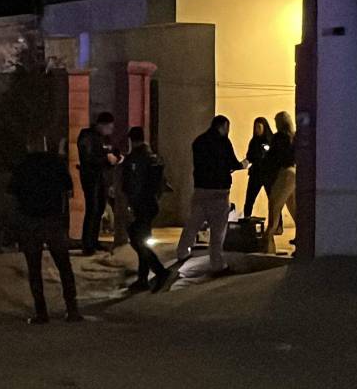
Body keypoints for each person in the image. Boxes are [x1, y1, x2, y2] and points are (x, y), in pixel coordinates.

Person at [9, 129, 82, 324]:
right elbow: (68, 188)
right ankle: (72, 309)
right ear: (44, 145)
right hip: (53, 220)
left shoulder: (22, 166)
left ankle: (41, 312)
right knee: (63, 265)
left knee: (34, 268)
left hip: (30, 221)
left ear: (28, 146)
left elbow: (13, 194)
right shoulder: (55, 163)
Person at [175, 115, 249, 274]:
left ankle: (182, 252)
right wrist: (244, 164)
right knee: (217, 230)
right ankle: (217, 263)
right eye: (227, 127)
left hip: (201, 189)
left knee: (193, 224)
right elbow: (232, 163)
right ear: (223, 126)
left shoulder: (198, 141)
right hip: (219, 192)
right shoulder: (223, 142)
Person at [122, 127, 171, 292]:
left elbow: (132, 184)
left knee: (136, 238)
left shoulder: (136, 159)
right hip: (151, 203)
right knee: (141, 239)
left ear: (131, 140)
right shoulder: (152, 157)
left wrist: (130, 201)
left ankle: (159, 271)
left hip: (141, 204)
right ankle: (142, 279)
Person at [77, 112, 122, 256]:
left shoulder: (105, 138)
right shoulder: (87, 136)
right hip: (91, 177)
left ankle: (94, 241)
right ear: (101, 125)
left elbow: (113, 151)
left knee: (100, 209)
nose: (111, 130)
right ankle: (87, 244)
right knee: (93, 208)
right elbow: (88, 157)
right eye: (109, 127)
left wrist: (116, 157)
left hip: (103, 177)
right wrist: (105, 158)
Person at [262, 111, 298, 255]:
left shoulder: (278, 137)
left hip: (284, 173)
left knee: (274, 208)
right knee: (294, 208)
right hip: (293, 172)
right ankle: (303, 242)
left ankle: (268, 245)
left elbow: (274, 158)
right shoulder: (294, 136)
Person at [243, 117, 273, 219]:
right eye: (255, 127)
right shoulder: (254, 141)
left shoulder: (271, 140)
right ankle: (247, 218)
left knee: (273, 200)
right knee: (249, 198)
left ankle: (277, 224)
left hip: (268, 174)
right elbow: (250, 156)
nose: (257, 130)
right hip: (256, 173)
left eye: (259, 127)